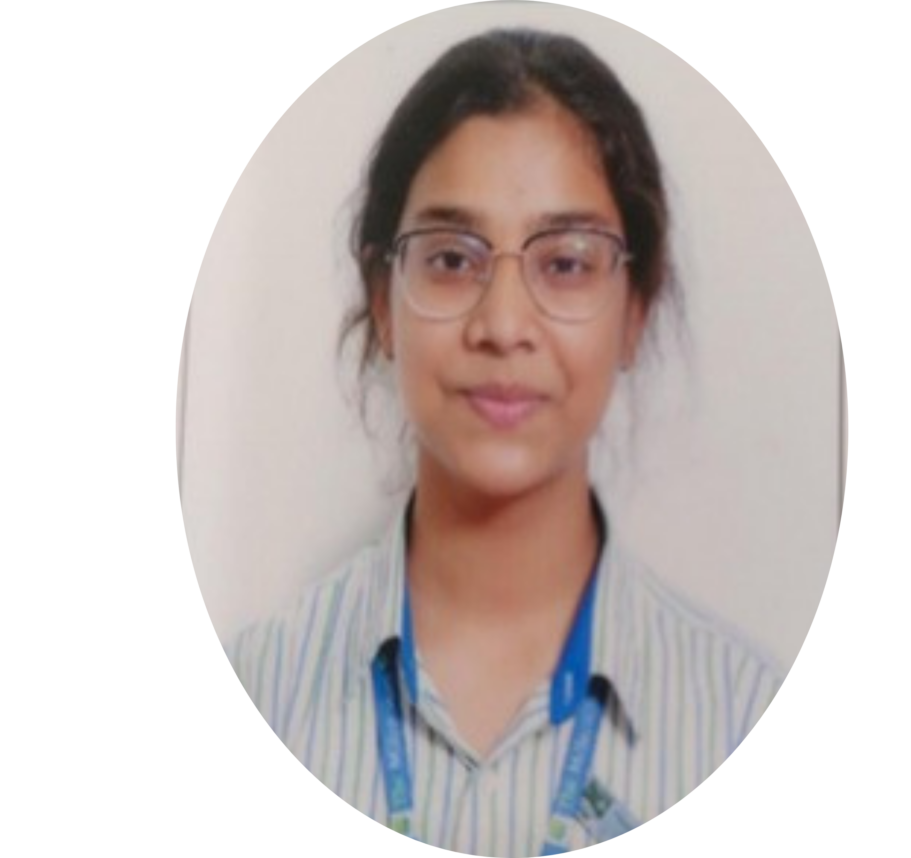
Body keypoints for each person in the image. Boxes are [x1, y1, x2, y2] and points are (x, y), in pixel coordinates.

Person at [228, 28, 783, 855]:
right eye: (453, 259)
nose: (503, 324)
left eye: (566, 263)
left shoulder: (739, 713)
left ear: (634, 311)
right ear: (383, 301)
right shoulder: (264, 687)